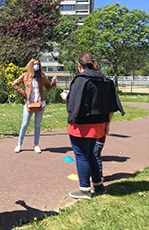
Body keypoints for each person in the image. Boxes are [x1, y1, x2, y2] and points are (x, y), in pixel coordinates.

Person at [60, 52, 125, 199]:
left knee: (82, 155)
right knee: (92, 154)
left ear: (79, 65)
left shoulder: (80, 80)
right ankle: (98, 186)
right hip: (100, 123)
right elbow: (111, 104)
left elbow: (74, 104)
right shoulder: (105, 80)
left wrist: (66, 97)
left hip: (81, 125)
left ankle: (84, 189)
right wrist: (107, 124)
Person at [11, 57, 57, 153]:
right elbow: (14, 84)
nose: (37, 66)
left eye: (38, 64)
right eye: (35, 64)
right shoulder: (25, 76)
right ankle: (19, 144)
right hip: (29, 103)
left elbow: (48, 87)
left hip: (40, 103)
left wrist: (53, 82)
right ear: (31, 65)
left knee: (37, 125)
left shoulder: (41, 76)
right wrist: (23, 93)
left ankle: (36, 145)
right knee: (24, 124)